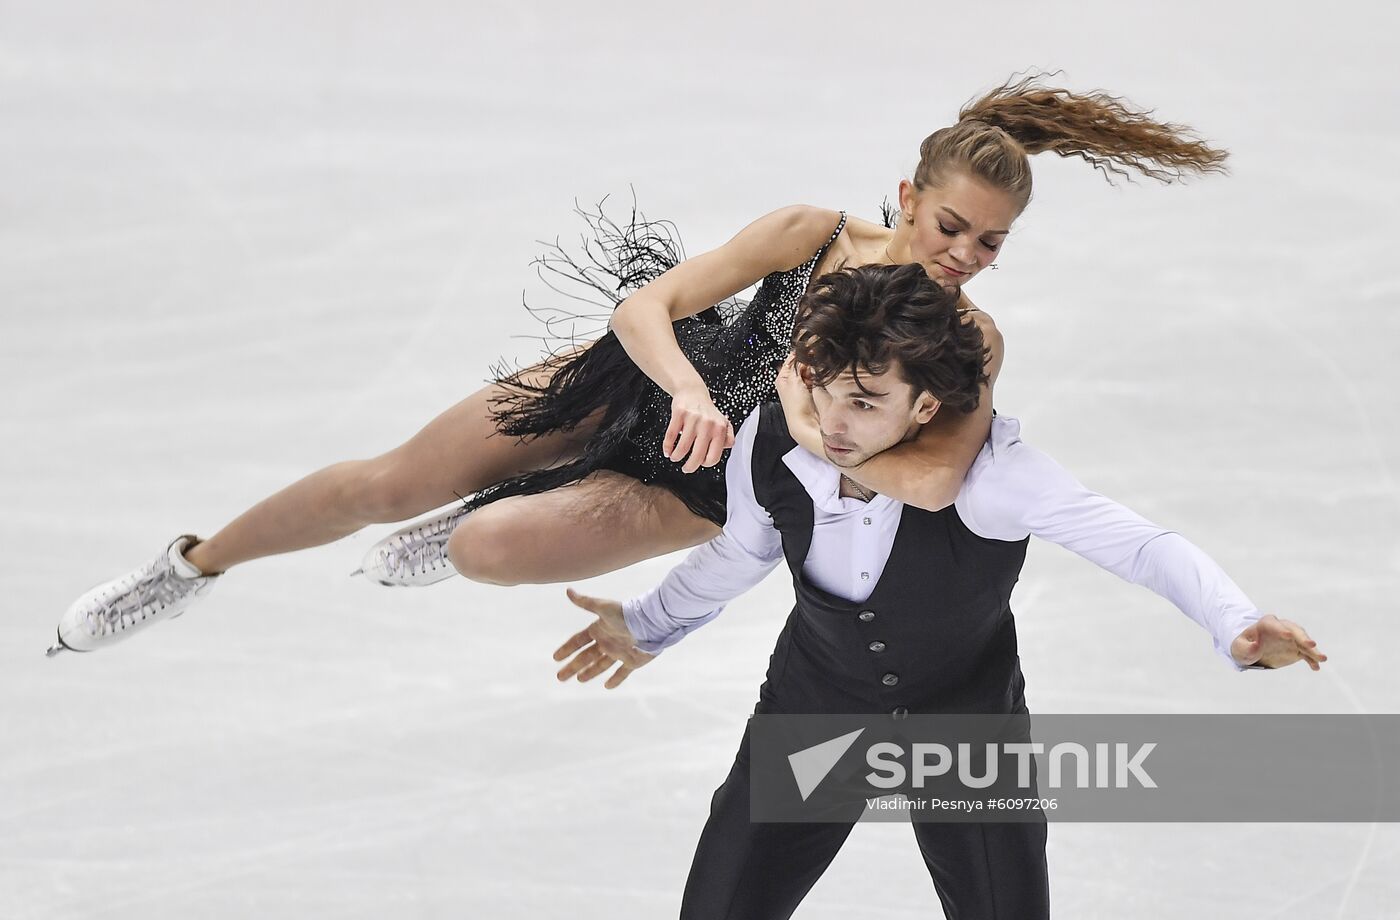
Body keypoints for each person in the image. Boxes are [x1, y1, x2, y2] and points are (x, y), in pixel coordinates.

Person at [49, 75, 1230, 655]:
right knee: (386, 482)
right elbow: (647, 304)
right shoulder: (810, 231)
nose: (964, 256)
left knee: (478, 543)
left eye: (988, 243)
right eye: (948, 226)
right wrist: (678, 385)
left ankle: (488, 520)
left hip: (699, 484)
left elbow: (912, 479)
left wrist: (800, 431)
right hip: (642, 383)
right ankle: (189, 563)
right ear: (909, 196)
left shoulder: (965, 347)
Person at [552, 264, 1325, 918]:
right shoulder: (772, 439)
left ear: (925, 406)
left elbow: (1139, 546)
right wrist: (649, 623)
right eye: (822, 390)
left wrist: (1236, 622)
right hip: (814, 712)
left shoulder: (990, 479)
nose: (830, 421)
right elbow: (740, 554)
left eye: (865, 403)